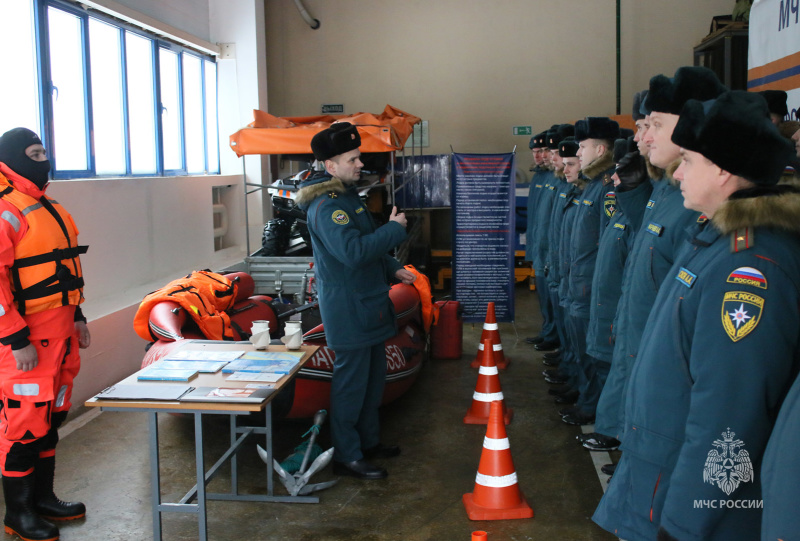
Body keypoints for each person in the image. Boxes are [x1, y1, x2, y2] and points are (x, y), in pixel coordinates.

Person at [594, 90, 800, 540]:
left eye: (688, 159)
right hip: (658, 470)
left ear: (724, 170)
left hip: (681, 495)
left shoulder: (749, 267)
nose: (677, 171)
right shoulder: (714, 237)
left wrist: (686, 524)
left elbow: (728, 417)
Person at [296, 122, 414, 480]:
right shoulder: (327, 206)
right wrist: (393, 231)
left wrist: (392, 267)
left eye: (359, 157)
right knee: (351, 386)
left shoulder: (347, 198)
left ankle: (368, 442)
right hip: (349, 310)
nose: (360, 164)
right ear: (330, 166)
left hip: (369, 303)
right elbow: (352, 252)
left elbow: (365, 245)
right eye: (353, 159)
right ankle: (348, 455)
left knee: (373, 381)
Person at [0, 128, 90, 540]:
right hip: (26, 345)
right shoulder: (7, 212)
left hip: (61, 338)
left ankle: (43, 499)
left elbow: (63, 270)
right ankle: (17, 514)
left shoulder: (50, 206)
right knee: (24, 426)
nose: (43, 159)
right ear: (14, 158)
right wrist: (15, 341)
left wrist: (80, 317)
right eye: (34, 153)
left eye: (44, 151)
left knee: (51, 419)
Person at [559, 116, 618, 426]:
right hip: (579, 284)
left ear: (598, 148)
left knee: (595, 356)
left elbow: (608, 246)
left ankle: (593, 408)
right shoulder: (592, 186)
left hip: (591, 288)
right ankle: (586, 399)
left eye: (581, 148)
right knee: (583, 351)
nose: (578, 154)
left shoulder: (606, 189)